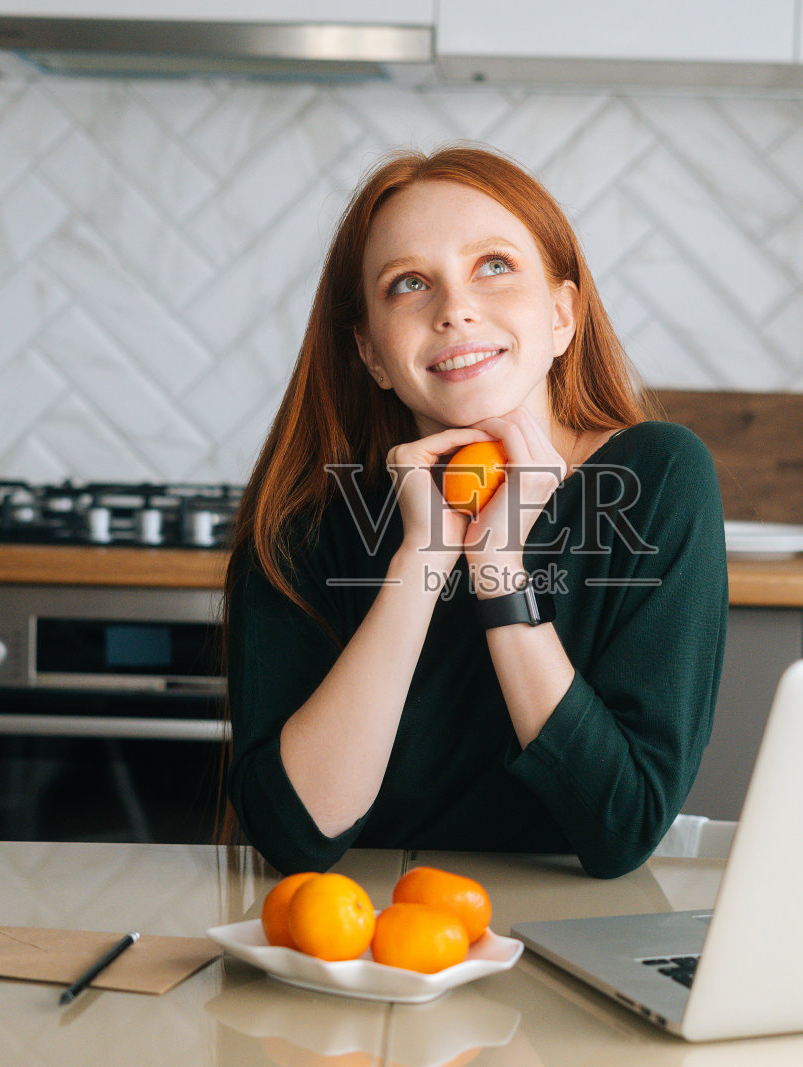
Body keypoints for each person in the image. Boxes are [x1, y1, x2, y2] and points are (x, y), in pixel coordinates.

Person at [222, 143, 727, 879]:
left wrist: (500, 573)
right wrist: (422, 560)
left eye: (493, 266)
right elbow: (295, 837)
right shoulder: (306, 514)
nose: (454, 308)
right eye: (408, 284)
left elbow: (621, 827)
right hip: (362, 943)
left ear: (561, 315)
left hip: (571, 939)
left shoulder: (659, 478)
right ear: (371, 354)